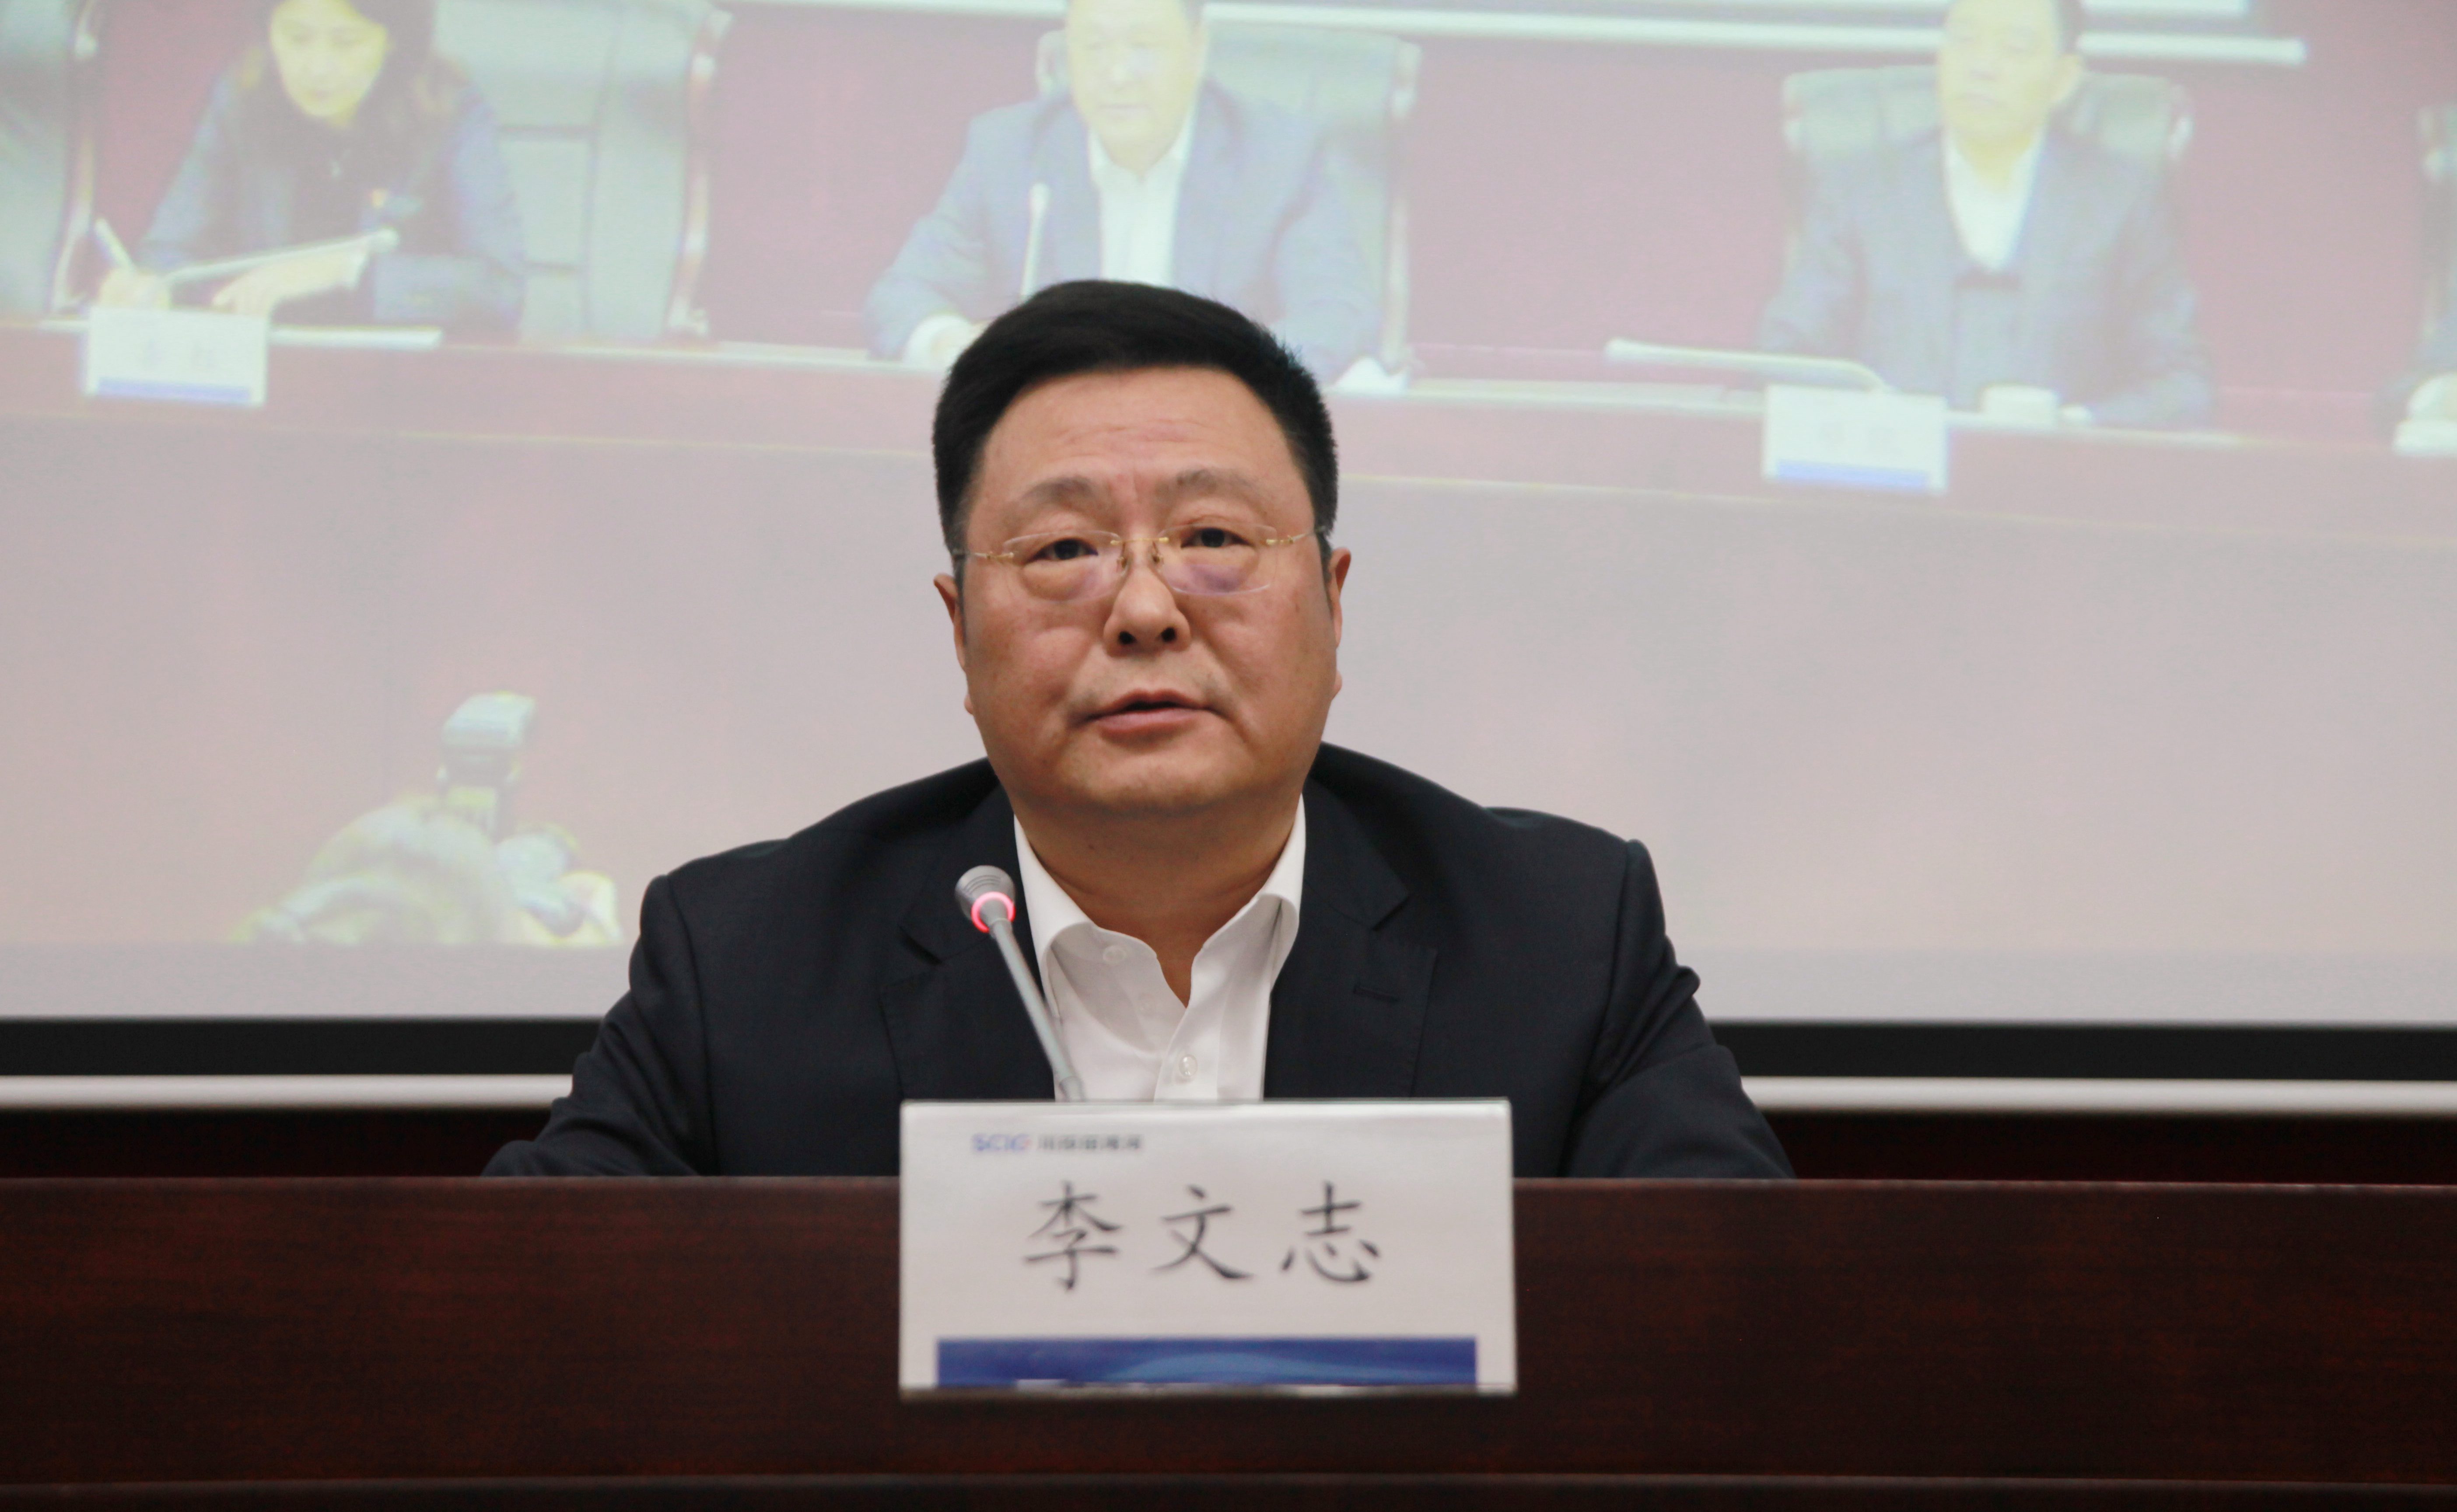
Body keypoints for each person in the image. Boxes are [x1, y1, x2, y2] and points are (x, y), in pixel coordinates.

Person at [488, 281, 1790, 1180]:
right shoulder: (747, 964)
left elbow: (1741, 1307)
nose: (1147, 609)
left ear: (1333, 604)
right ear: (959, 627)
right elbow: (516, 1302)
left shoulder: (1559, 937)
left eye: (1213, 536)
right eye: (1064, 549)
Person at [863, 0, 1380, 382]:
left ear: (1198, 48)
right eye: (1094, 47)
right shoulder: (1010, 153)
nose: (1116, 75)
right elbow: (903, 297)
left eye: (1143, 47)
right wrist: (955, 346)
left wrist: (1218, 372)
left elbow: (1335, 315)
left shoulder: (1276, 158)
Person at [1758, 0, 2212, 428]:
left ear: (2063, 78)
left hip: (2055, 474)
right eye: (1965, 40)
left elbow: (2182, 385)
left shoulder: (2121, 199)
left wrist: (2073, 428)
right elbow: (1786, 360)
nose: (1982, 67)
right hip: (1887, 473)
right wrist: (1879, 429)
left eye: (2015, 48)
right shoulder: (1859, 189)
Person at [94, 0, 522, 332]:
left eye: (346, 42)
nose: (317, 68)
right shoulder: (242, 100)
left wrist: (345, 271)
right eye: (297, 38)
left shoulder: (450, 113)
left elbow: (499, 288)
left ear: (393, 40)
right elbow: (172, 250)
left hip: (395, 387)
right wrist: (148, 286)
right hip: (270, 375)